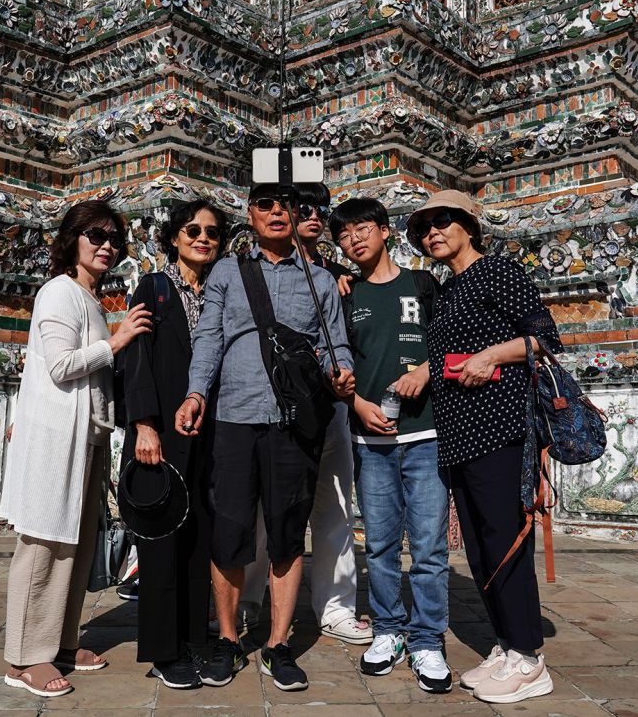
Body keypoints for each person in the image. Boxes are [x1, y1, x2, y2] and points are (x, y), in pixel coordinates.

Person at [175, 183, 356, 692]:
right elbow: (209, 336)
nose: (277, 214)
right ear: (250, 215)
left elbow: (332, 345)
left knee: (285, 533)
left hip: (294, 422)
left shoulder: (319, 280)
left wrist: (340, 374)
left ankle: (278, 644)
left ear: (299, 217)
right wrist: (195, 394)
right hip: (233, 416)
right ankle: (230, 639)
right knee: (230, 531)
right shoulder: (229, 273)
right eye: (265, 205)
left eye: (287, 207)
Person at [406, 190, 561, 704]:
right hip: (458, 436)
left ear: (469, 227)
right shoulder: (446, 291)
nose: (433, 232)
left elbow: (544, 337)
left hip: (499, 428)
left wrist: (488, 355)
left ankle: (529, 657)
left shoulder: (498, 272)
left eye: (443, 221)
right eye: (425, 227)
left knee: (506, 540)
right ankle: (505, 643)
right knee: (477, 545)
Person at [0, 200, 151, 698]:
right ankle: (23, 658)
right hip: (54, 436)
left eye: (114, 239)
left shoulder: (90, 297)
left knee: (78, 544)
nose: (106, 245)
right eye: (95, 235)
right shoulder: (59, 292)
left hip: (86, 437)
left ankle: (60, 644)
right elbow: (62, 365)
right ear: (72, 239)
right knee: (44, 543)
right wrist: (120, 339)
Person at [237, 183, 371, 647]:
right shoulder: (249, 269)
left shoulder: (339, 278)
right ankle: (251, 600)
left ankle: (334, 607)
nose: (311, 216)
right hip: (266, 407)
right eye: (303, 208)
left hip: (325, 406)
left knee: (332, 505)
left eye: (319, 210)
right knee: (260, 507)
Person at [330, 197, 451, 692]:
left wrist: (427, 368)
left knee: (428, 548)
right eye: (343, 235)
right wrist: (357, 404)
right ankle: (387, 631)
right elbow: (333, 361)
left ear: (385, 231)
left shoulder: (422, 284)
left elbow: (452, 341)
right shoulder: (343, 293)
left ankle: (426, 641)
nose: (354, 240)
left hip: (426, 436)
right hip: (370, 438)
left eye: (362, 229)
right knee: (378, 546)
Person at [121, 200, 229, 688]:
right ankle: (166, 650)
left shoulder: (223, 291)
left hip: (209, 433)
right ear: (173, 238)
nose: (202, 238)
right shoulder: (155, 286)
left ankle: (195, 640)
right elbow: (136, 357)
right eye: (192, 230)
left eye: (211, 231)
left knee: (199, 537)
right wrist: (143, 425)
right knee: (161, 540)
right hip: (159, 434)